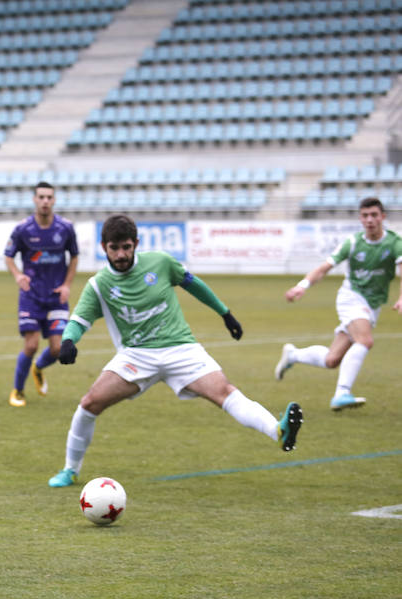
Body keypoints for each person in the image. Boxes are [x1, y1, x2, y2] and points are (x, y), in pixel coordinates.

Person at [47, 214, 302, 488]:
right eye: (114, 248)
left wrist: (225, 313)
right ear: (103, 247)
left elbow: (194, 284)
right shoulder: (99, 285)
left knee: (224, 392)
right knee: (89, 403)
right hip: (136, 357)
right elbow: (78, 320)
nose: (120, 254)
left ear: (136, 244)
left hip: (181, 349)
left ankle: (278, 430)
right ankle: (70, 470)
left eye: (126, 247)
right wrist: (69, 341)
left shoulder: (161, 262)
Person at [274, 196, 402, 410]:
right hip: (351, 298)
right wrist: (302, 286)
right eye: (365, 215)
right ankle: (342, 393)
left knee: (332, 360)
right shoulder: (353, 243)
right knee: (365, 340)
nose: (370, 220)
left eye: (374, 215)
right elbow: (324, 268)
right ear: (360, 218)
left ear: (383, 217)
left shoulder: (395, 242)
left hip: (372, 305)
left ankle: (293, 355)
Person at [4, 181, 79, 407]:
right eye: (41, 197)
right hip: (31, 295)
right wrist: (18, 275)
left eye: (49, 197)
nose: (45, 201)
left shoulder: (65, 228)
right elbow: (8, 255)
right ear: (35, 200)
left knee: (58, 348)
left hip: (56, 295)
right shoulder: (23, 229)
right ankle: (17, 390)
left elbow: (74, 257)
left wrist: (67, 285)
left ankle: (38, 368)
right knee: (31, 345)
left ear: (54, 200)